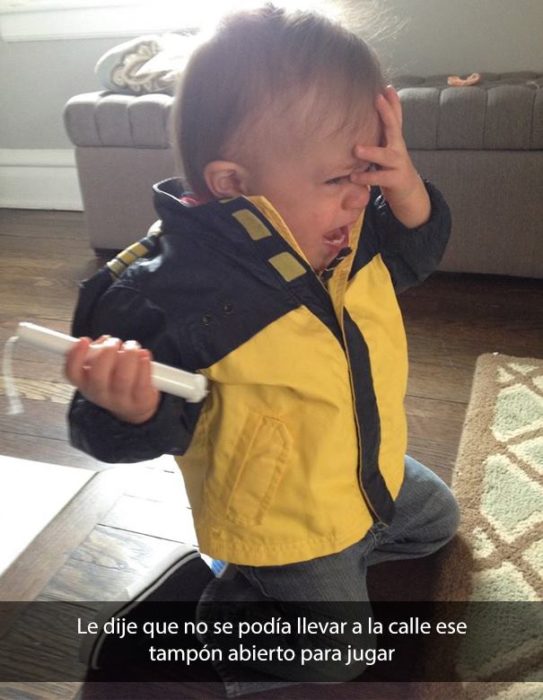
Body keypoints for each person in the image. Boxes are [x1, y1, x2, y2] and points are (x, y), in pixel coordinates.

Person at [65, 3, 459, 695]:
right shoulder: (173, 299)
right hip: (284, 513)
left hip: (357, 466)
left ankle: (309, 576)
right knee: (338, 655)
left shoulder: (344, 230)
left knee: (437, 523)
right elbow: (121, 434)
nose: (358, 199)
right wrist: (124, 410)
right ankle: (221, 613)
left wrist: (402, 185)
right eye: (340, 181)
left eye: (368, 174)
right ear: (233, 186)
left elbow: (414, 255)